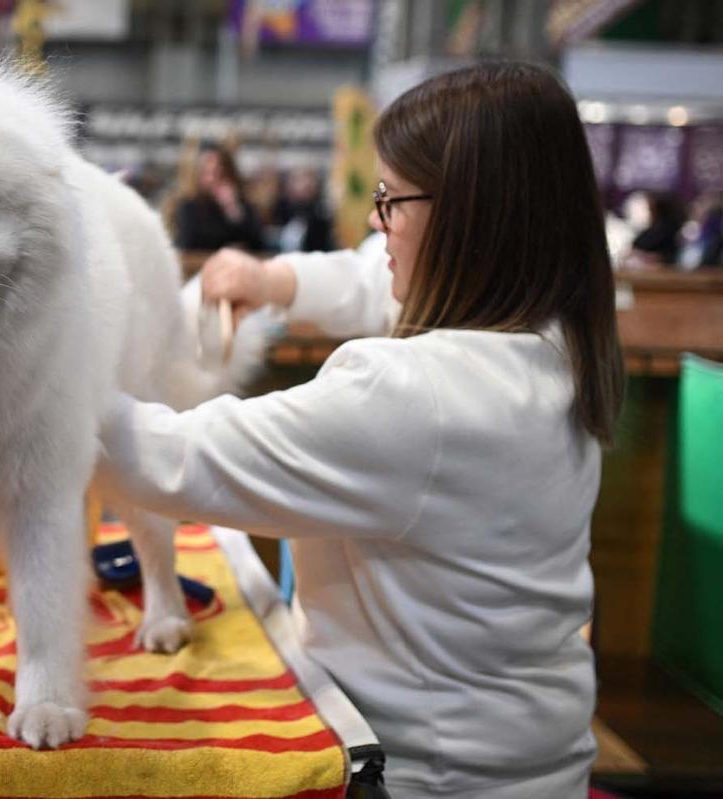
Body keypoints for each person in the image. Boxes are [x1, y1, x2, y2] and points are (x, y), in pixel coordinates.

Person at [97, 62, 623, 798]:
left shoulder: (415, 395)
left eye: (389, 201)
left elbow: (178, 460)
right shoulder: (557, 334)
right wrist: (275, 281)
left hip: (421, 777)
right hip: (537, 759)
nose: (377, 224)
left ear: (470, 218)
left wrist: (36, 387)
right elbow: (376, 277)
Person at [172, 143, 266, 253]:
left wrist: (232, 209)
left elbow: (258, 242)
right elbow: (188, 244)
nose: (213, 179)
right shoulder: (189, 206)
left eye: (218, 173)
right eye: (207, 173)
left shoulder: (241, 205)